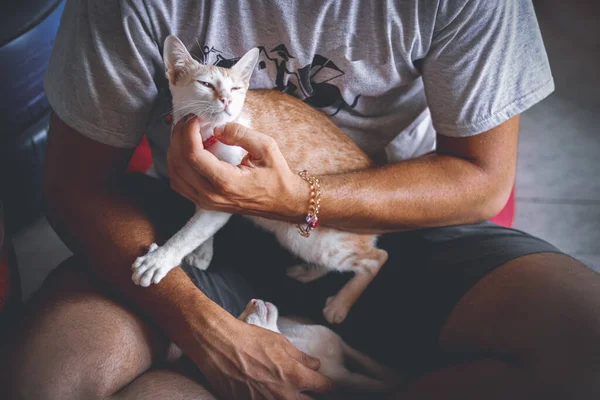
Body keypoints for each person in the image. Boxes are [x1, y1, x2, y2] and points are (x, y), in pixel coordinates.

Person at [2, 1, 599, 399]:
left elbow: (484, 178)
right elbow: (74, 183)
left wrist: (298, 197)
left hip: (386, 212)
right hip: (198, 220)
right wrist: (209, 334)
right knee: (50, 377)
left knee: (582, 341)